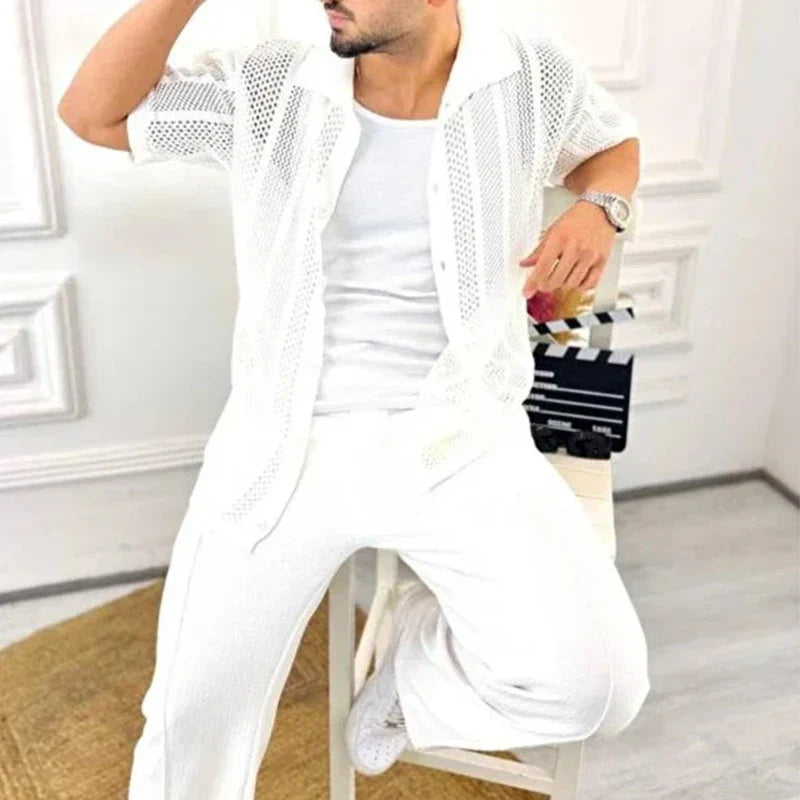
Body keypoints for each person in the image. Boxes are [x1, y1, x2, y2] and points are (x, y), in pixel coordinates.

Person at [58, 0, 651, 796]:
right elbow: (93, 115)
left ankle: (413, 674)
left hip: (461, 436)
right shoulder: (274, 86)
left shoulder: (528, 76)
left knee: (599, 690)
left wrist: (601, 207)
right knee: (192, 720)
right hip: (282, 446)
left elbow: (612, 144)